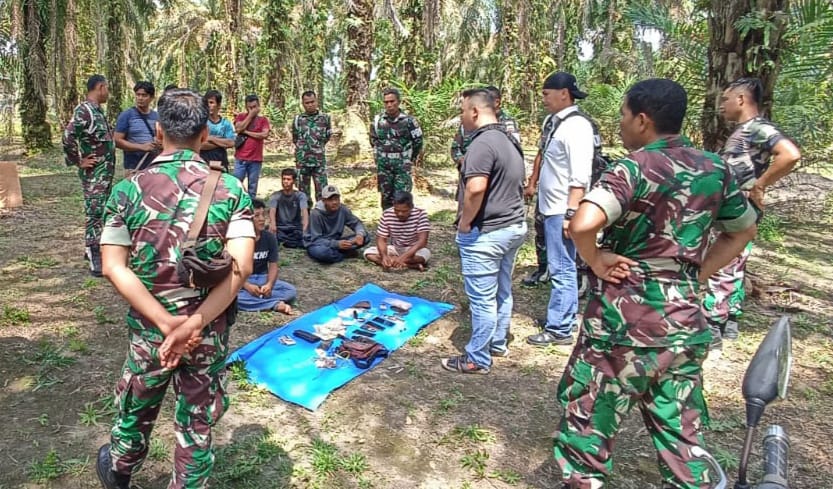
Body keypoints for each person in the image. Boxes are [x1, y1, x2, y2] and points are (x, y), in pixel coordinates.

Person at [553, 78, 758, 489]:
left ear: (643, 120)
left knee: (589, 429)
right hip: (683, 324)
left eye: (624, 116)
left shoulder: (634, 167)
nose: (621, 125)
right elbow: (742, 231)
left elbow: (582, 223)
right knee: (682, 433)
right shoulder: (715, 168)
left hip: (622, 328)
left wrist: (596, 260)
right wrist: (694, 275)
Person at [96, 89, 255, 489]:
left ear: (159, 129)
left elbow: (114, 267)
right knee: (197, 420)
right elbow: (244, 266)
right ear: (205, 134)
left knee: (136, 403)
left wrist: (168, 323)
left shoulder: (127, 190)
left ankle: (119, 468)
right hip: (207, 331)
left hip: (152, 333)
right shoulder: (231, 190)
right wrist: (192, 323)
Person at [703, 77, 801, 347]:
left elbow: (790, 154)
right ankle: (729, 320)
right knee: (735, 261)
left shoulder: (757, 128)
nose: (721, 104)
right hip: (737, 205)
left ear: (742, 100)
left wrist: (760, 184)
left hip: (739, 207)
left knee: (723, 260)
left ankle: (712, 323)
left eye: (725, 98)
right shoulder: (746, 130)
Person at [441, 88, 527, 374]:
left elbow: (476, 189)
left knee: (482, 298)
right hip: (513, 226)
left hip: (488, 232)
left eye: (463, 111)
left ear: (475, 112)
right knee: (502, 290)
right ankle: (497, 342)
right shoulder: (508, 140)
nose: (461, 117)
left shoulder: (481, 144)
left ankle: (477, 357)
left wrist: (465, 222)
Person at [526, 72, 595, 347]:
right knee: (558, 266)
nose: (542, 99)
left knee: (563, 268)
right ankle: (561, 318)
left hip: (562, 210)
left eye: (546, 93)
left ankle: (560, 328)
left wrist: (570, 214)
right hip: (549, 206)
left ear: (563, 93)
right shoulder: (554, 123)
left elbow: (580, 176)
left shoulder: (577, 127)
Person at [62, 74, 116, 277]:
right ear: (100, 87)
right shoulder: (84, 110)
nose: (108, 92)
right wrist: (78, 161)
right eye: (107, 88)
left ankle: (92, 246)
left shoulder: (97, 111)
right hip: (94, 174)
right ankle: (94, 254)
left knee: (101, 210)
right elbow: (68, 137)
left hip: (104, 173)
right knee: (94, 212)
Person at [239, 199, 297, 314]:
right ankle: (273, 304)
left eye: (263, 215)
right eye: (257, 216)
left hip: (262, 278)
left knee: (290, 291)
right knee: (232, 298)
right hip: (243, 280)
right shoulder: (240, 240)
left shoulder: (269, 238)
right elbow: (233, 269)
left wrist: (269, 284)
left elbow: (273, 265)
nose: (262, 219)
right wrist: (246, 285)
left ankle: (256, 301)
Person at [370, 88, 424, 209]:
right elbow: (373, 140)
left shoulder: (409, 121)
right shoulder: (378, 121)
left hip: (402, 165)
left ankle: (404, 226)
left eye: (392, 101)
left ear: (398, 102)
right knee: (386, 197)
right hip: (384, 166)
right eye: (386, 102)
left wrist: (409, 158)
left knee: (402, 197)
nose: (389, 105)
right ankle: (388, 224)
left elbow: (418, 141)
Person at [450, 85, 520, 170]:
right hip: (468, 169)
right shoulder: (469, 121)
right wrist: (463, 161)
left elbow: (513, 148)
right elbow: (455, 147)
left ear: (497, 102)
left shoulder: (507, 122)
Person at [364, 190, 431, 271]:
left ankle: (393, 262)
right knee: (368, 253)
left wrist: (404, 256)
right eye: (397, 210)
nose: (400, 214)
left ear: (411, 207)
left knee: (425, 254)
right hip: (395, 248)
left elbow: (422, 241)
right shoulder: (387, 214)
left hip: (414, 249)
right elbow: (381, 239)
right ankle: (409, 265)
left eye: (404, 211)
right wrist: (384, 256)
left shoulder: (420, 214)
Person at [304, 185, 370, 264]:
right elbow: (316, 239)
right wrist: (336, 244)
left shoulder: (343, 209)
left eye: (336, 199)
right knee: (322, 253)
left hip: (335, 241)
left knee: (365, 237)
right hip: (318, 244)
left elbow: (356, 223)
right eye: (330, 200)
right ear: (323, 201)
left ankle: (338, 252)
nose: (334, 202)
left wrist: (360, 234)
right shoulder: (316, 214)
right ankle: (344, 254)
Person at [292, 91, 332, 204]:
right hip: (302, 162)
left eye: (312, 102)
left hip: (319, 162)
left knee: (322, 192)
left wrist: (317, 148)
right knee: (303, 194)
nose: (310, 105)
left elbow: (327, 136)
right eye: (307, 102)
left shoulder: (325, 118)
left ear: (316, 101)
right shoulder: (298, 119)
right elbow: (295, 138)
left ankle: (321, 217)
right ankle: (306, 218)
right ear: (303, 104)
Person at [114, 81, 161, 173]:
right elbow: (116, 140)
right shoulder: (127, 116)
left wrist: (159, 144)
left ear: (151, 98)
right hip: (133, 166)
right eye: (138, 95)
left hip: (153, 166)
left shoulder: (157, 117)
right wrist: (141, 147)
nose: (140, 98)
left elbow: (162, 138)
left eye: (144, 95)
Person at [234, 93, 271, 199]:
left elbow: (264, 134)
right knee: (237, 184)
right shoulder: (241, 117)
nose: (253, 109)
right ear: (246, 107)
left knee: (252, 187)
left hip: (255, 159)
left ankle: (251, 209)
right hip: (241, 158)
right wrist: (250, 116)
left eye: (255, 107)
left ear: (259, 106)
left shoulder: (263, 120)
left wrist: (247, 132)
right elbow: (238, 128)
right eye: (250, 108)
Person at [268, 168, 309, 248]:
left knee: (307, 237)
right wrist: (273, 224)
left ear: (293, 181)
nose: (285, 181)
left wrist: (305, 228)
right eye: (284, 179)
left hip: (295, 228)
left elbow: (304, 212)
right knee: (270, 235)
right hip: (280, 228)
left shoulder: (300, 196)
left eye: (288, 179)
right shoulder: (276, 195)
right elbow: (272, 211)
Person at [200, 89, 236, 171]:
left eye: (211, 102)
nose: (208, 105)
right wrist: (222, 142)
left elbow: (231, 143)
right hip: (203, 163)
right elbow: (200, 145)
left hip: (221, 162)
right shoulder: (201, 122)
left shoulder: (226, 123)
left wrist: (210, 138)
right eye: (206, 103)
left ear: (219, 105)